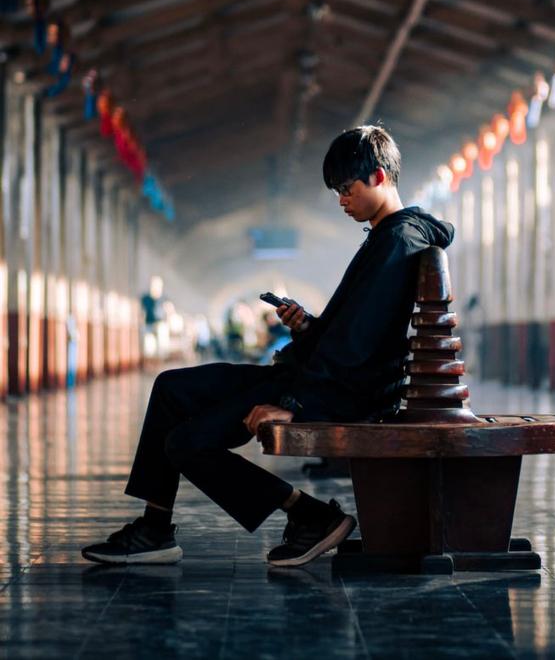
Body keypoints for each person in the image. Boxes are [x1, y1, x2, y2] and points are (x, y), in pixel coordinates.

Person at [81, 125, 454, 569]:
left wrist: (295, 405)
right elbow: (353, 333)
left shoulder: (396, 240)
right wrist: (307, 327)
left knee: (185, 443)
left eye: (346, 188)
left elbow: (358, 346)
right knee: (169, 388)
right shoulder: (387, 237)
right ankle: (154, 527)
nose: (341, 200)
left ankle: (309, 515)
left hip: (334, 392)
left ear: (377, 176)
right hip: (313, 377)